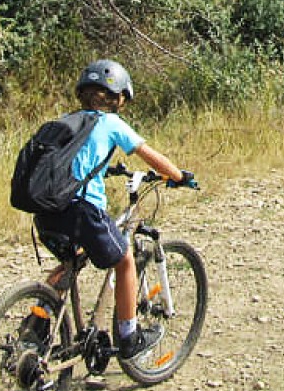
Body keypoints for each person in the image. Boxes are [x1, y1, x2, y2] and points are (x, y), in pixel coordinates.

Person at [32, 59, 191, 361]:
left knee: (70, 263)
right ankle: (130, 337)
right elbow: (152, 157)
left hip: (47, 212)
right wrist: (179, 176)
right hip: (82, 212)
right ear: (118, 98)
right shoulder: (111, 123)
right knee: (126, 260)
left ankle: (34, 330)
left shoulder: (68, 121)